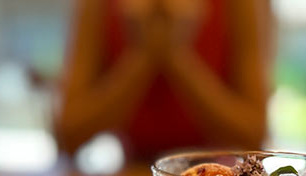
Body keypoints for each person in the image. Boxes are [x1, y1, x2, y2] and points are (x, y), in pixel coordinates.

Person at [54, 0, 269, 161]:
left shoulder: (238, 6)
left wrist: (176, 54)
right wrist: (143, 54)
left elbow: (254, 136)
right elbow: (67, 134)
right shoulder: (99, 6)